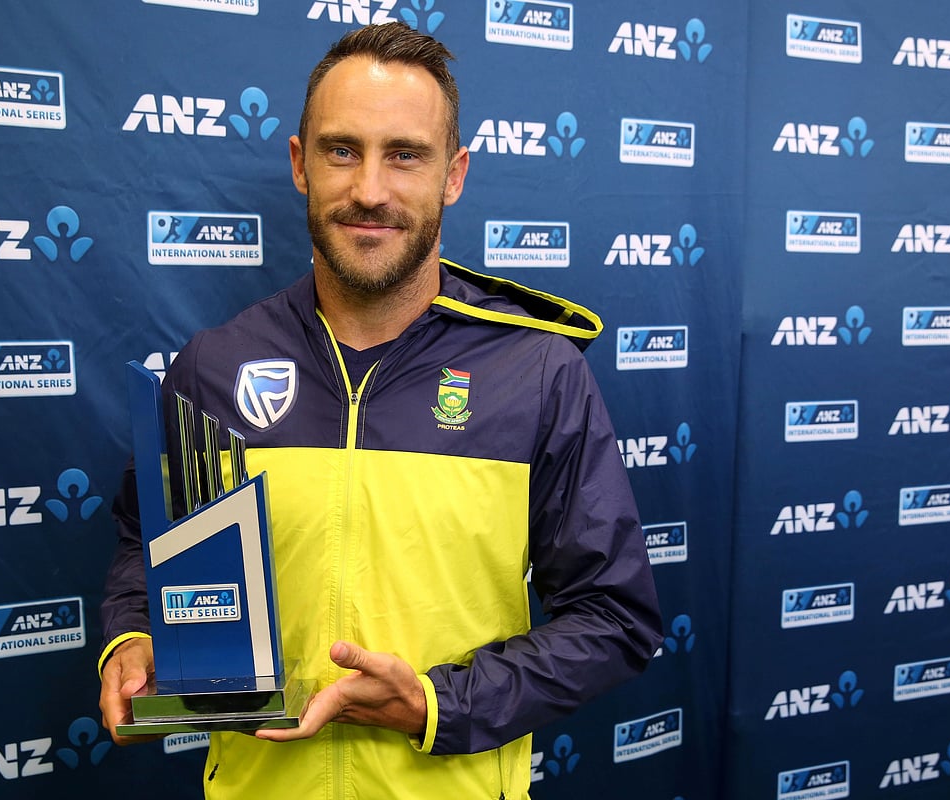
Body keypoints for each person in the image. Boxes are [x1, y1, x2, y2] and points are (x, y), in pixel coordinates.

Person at [99, 22, 662, 799]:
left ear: (453, 175)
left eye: (405, 155)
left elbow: (614, 616)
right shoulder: (213, 366)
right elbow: (148, 545)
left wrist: (438, 705)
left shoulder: (539, 372)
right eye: (341, 150)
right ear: (299, 164)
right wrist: (134, 635)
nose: (370, 189)